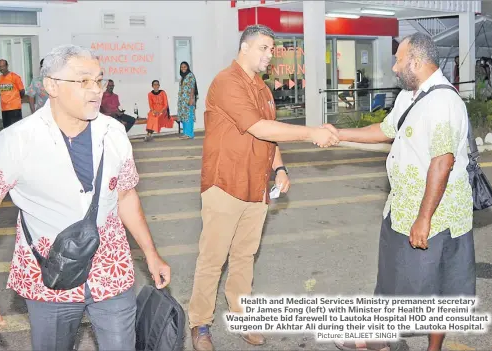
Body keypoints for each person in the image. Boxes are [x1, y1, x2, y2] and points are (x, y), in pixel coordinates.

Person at [0, 44, 171, 350]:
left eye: (98, 80)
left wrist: (151, 254)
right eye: (83, 80)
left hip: (111, 267)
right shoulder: (17, 141)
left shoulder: (113, 133)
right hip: (49, 275)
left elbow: (125, 196)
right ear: (52, 86)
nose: (95, 90)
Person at [188, 24, 339, 351]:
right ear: (245, 48)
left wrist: (279, 167)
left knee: (244, 256)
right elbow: (256, 126)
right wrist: (311, 132)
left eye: (272, 49)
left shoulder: (262, 88)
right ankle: (200, 323)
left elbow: (269, 135)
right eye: (264, 48)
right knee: (213, 258)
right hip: (225, 184)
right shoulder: (226, 83)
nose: (270, 55)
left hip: (256, 187)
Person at [329, 33, 475, 351]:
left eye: (398, 59)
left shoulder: (442, 102)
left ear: (417, 62)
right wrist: (337, 133)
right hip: (400, 209)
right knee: (391, 280)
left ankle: (428, 347)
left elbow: (442, 162)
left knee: (438, 288)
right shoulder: (410, 96)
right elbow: (384, 130)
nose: (394, 67)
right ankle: (381, 339)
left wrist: (424, 219)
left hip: (438, 219)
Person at [0, 59, 25, 128]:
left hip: (14, 108)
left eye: (3, 66)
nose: (2, 68)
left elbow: (22, 91)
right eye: (0, 67)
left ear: (7, 66)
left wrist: (17, 99)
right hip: (4, 108)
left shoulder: (15, 77)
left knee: (15, 128)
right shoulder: (0, 78)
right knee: (6, 129)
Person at [177, 61, 197, 139]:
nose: (183, 68)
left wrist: (191, 99)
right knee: (184, 117)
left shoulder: (190, 75)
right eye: (182, 67)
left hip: (188, 99)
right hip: (182, 101)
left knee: (188, 116)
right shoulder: (183, 77)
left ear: (187, 67)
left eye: (184, 67)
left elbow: (192, 88)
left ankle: (189, 134)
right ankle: (185, 133)